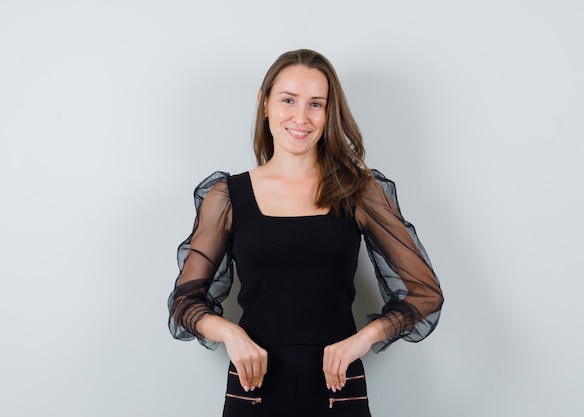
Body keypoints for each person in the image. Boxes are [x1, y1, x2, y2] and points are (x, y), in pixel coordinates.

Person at [168, 49, 443, 417]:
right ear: (264, 104)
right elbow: (185, 302)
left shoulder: (359, 191)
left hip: (337, 388)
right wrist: (231, 334)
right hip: (254, 390)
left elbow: (425, 292)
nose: (301, 117)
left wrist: (362, 339)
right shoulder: (227, 197)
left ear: (329, 113)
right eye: (288, 100)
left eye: (316, 103)